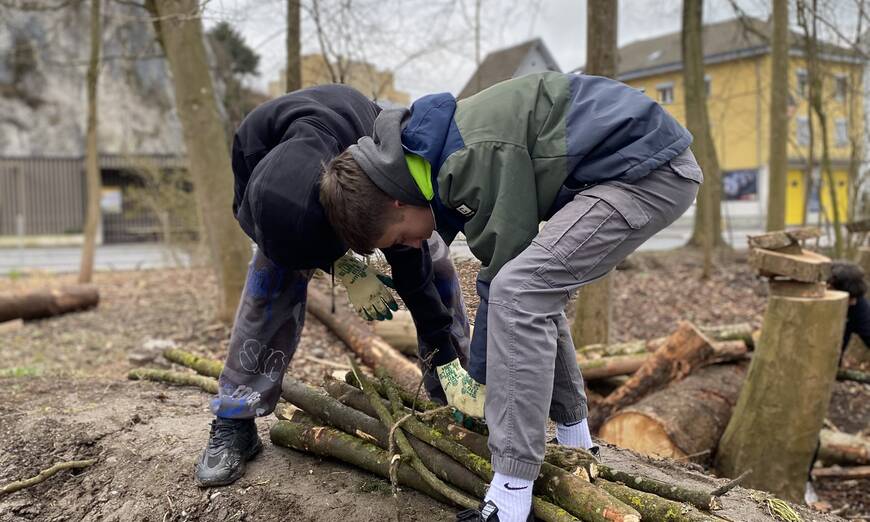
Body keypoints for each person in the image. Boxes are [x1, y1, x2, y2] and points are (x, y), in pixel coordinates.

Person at [319, 71, 703, 522]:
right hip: (629, 169)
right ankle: (578, 444)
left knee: (520, 290)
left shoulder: (465, 159)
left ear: (399, 204)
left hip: (648, 172)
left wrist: (477, 383)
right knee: (531, 287)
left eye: (400, 239)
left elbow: (504, 275)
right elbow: (506, 275)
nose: (411, 248)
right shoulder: (431, 159)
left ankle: (510, 497)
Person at [194, 84, 471, 488]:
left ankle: (455, 390)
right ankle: (235, 416)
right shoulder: (253, 146)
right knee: (269, 281)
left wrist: (443, 356)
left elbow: (413, 269)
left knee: (437, 265)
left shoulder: (374, 170)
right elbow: (249, 218)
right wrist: (343, 267)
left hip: (373, 175)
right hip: (285, 198)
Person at [828, 260, 870, 363]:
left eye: (856, 297)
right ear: (830, 287)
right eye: (850, 297)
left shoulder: (858, 305)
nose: (853, 303)